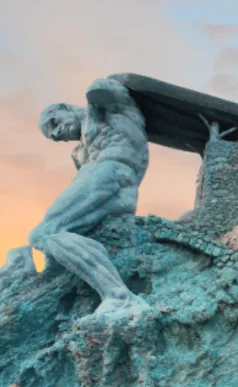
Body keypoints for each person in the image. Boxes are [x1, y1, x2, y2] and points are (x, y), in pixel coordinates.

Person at [29, 78, 150, 317]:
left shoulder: (102, 113)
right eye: (54, 136)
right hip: (118, 187)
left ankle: (118, 296)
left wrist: (93, 100)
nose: (57, 133)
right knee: (52, 235)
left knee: (44, 233)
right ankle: (115, 292)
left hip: (111, 171)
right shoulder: (83, 149)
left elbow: (104, 89)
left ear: (65, 108)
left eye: (54, 122)